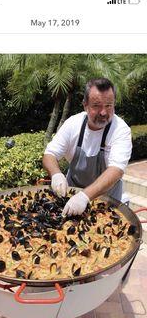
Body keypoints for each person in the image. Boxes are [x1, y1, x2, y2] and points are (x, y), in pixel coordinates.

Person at [43, 78, 132, 216]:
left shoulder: (120, 130)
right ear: (85, 105)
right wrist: (56, 174)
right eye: (97, 106)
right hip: (70, 200)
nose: (103, 112)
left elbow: (116, 170)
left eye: (109, 106)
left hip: (107, 203)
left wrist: (84, 196)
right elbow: (49, 154)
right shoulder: (73, 124)